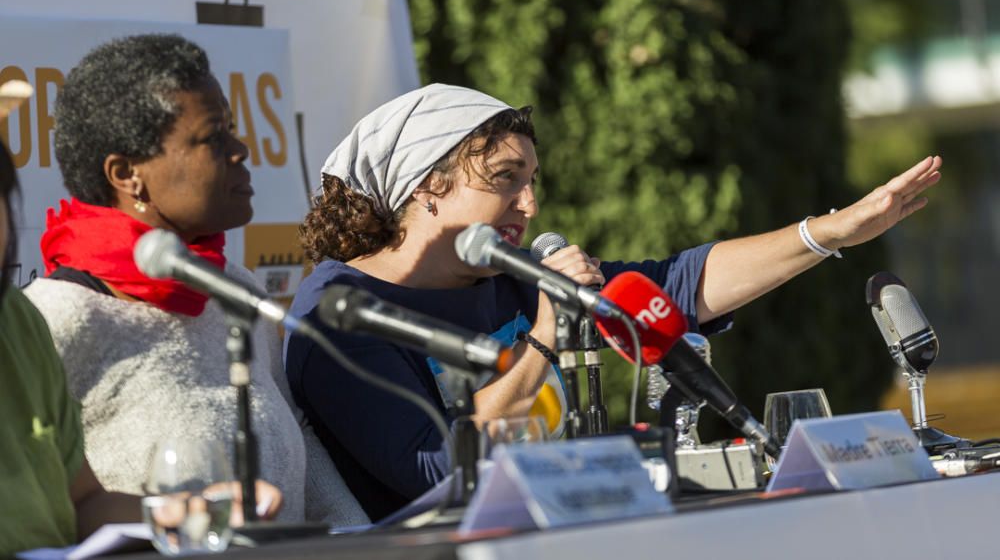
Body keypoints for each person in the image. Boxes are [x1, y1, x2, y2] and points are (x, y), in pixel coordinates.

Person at [284, 83, 941, 519]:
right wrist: (547, 331)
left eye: (532, 181)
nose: (530, 204)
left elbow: (677, 287)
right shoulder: (340, 315)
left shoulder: (504, 274)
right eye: (507, 180)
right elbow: (435, 474)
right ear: (428, 186)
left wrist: (828, 232)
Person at [24, 35, 367, 525]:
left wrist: (357, 537)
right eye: (212, 138)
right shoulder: (54, 319)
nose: (241, 149)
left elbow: (296, 436)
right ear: (127, 175)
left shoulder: (236, 288)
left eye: (232, 129)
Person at [0, 84, 280, 556]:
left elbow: (85, 501)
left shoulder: (17, 321)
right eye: (213, 137)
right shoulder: (55, 309)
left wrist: (182, 510)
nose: (240, 151)